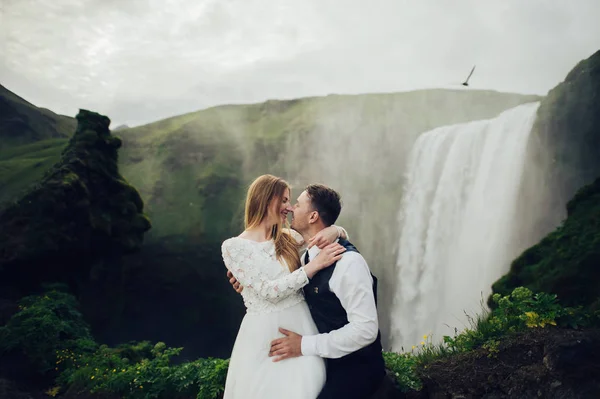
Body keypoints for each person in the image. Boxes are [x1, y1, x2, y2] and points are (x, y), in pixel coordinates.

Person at [229, 183, 397, 398]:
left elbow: (366, 330)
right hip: (319, 359)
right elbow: (274, 277)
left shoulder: (348, 264)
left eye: (296, 204)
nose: (290, 208)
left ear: (313, 217)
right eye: (286, 202)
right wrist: (248, 284)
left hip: (354, 369)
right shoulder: (304, 255)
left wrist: (304, 345)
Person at [221, 174, 351, 399]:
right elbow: (268, 292)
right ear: (265, 200)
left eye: (289, 201)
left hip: (301, 328)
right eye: (283, 200)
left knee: (307, 386)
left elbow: (320, 231)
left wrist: (336, 230)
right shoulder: (234, 247)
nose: (289, 208)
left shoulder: (289, 238)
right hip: (263, 336)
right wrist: (313, 267)